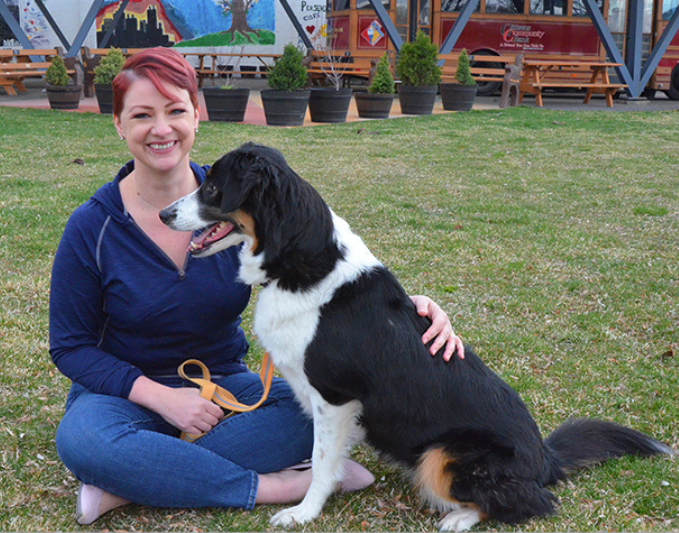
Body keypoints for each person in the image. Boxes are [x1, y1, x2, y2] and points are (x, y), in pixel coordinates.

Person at [49, 47, 465, 525]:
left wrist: (405, 310)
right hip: (121, 396)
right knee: (84, 442)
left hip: (225, 389)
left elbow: (324, 269)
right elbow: (70, 347)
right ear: (119, 125)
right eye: (142, 115)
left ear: (196, 115)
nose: (161, 129)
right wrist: (161, 398)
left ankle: (130, 481)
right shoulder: (92, 226)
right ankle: (276, 485)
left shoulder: (244, 195)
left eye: (175, 111)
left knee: (317, 411)